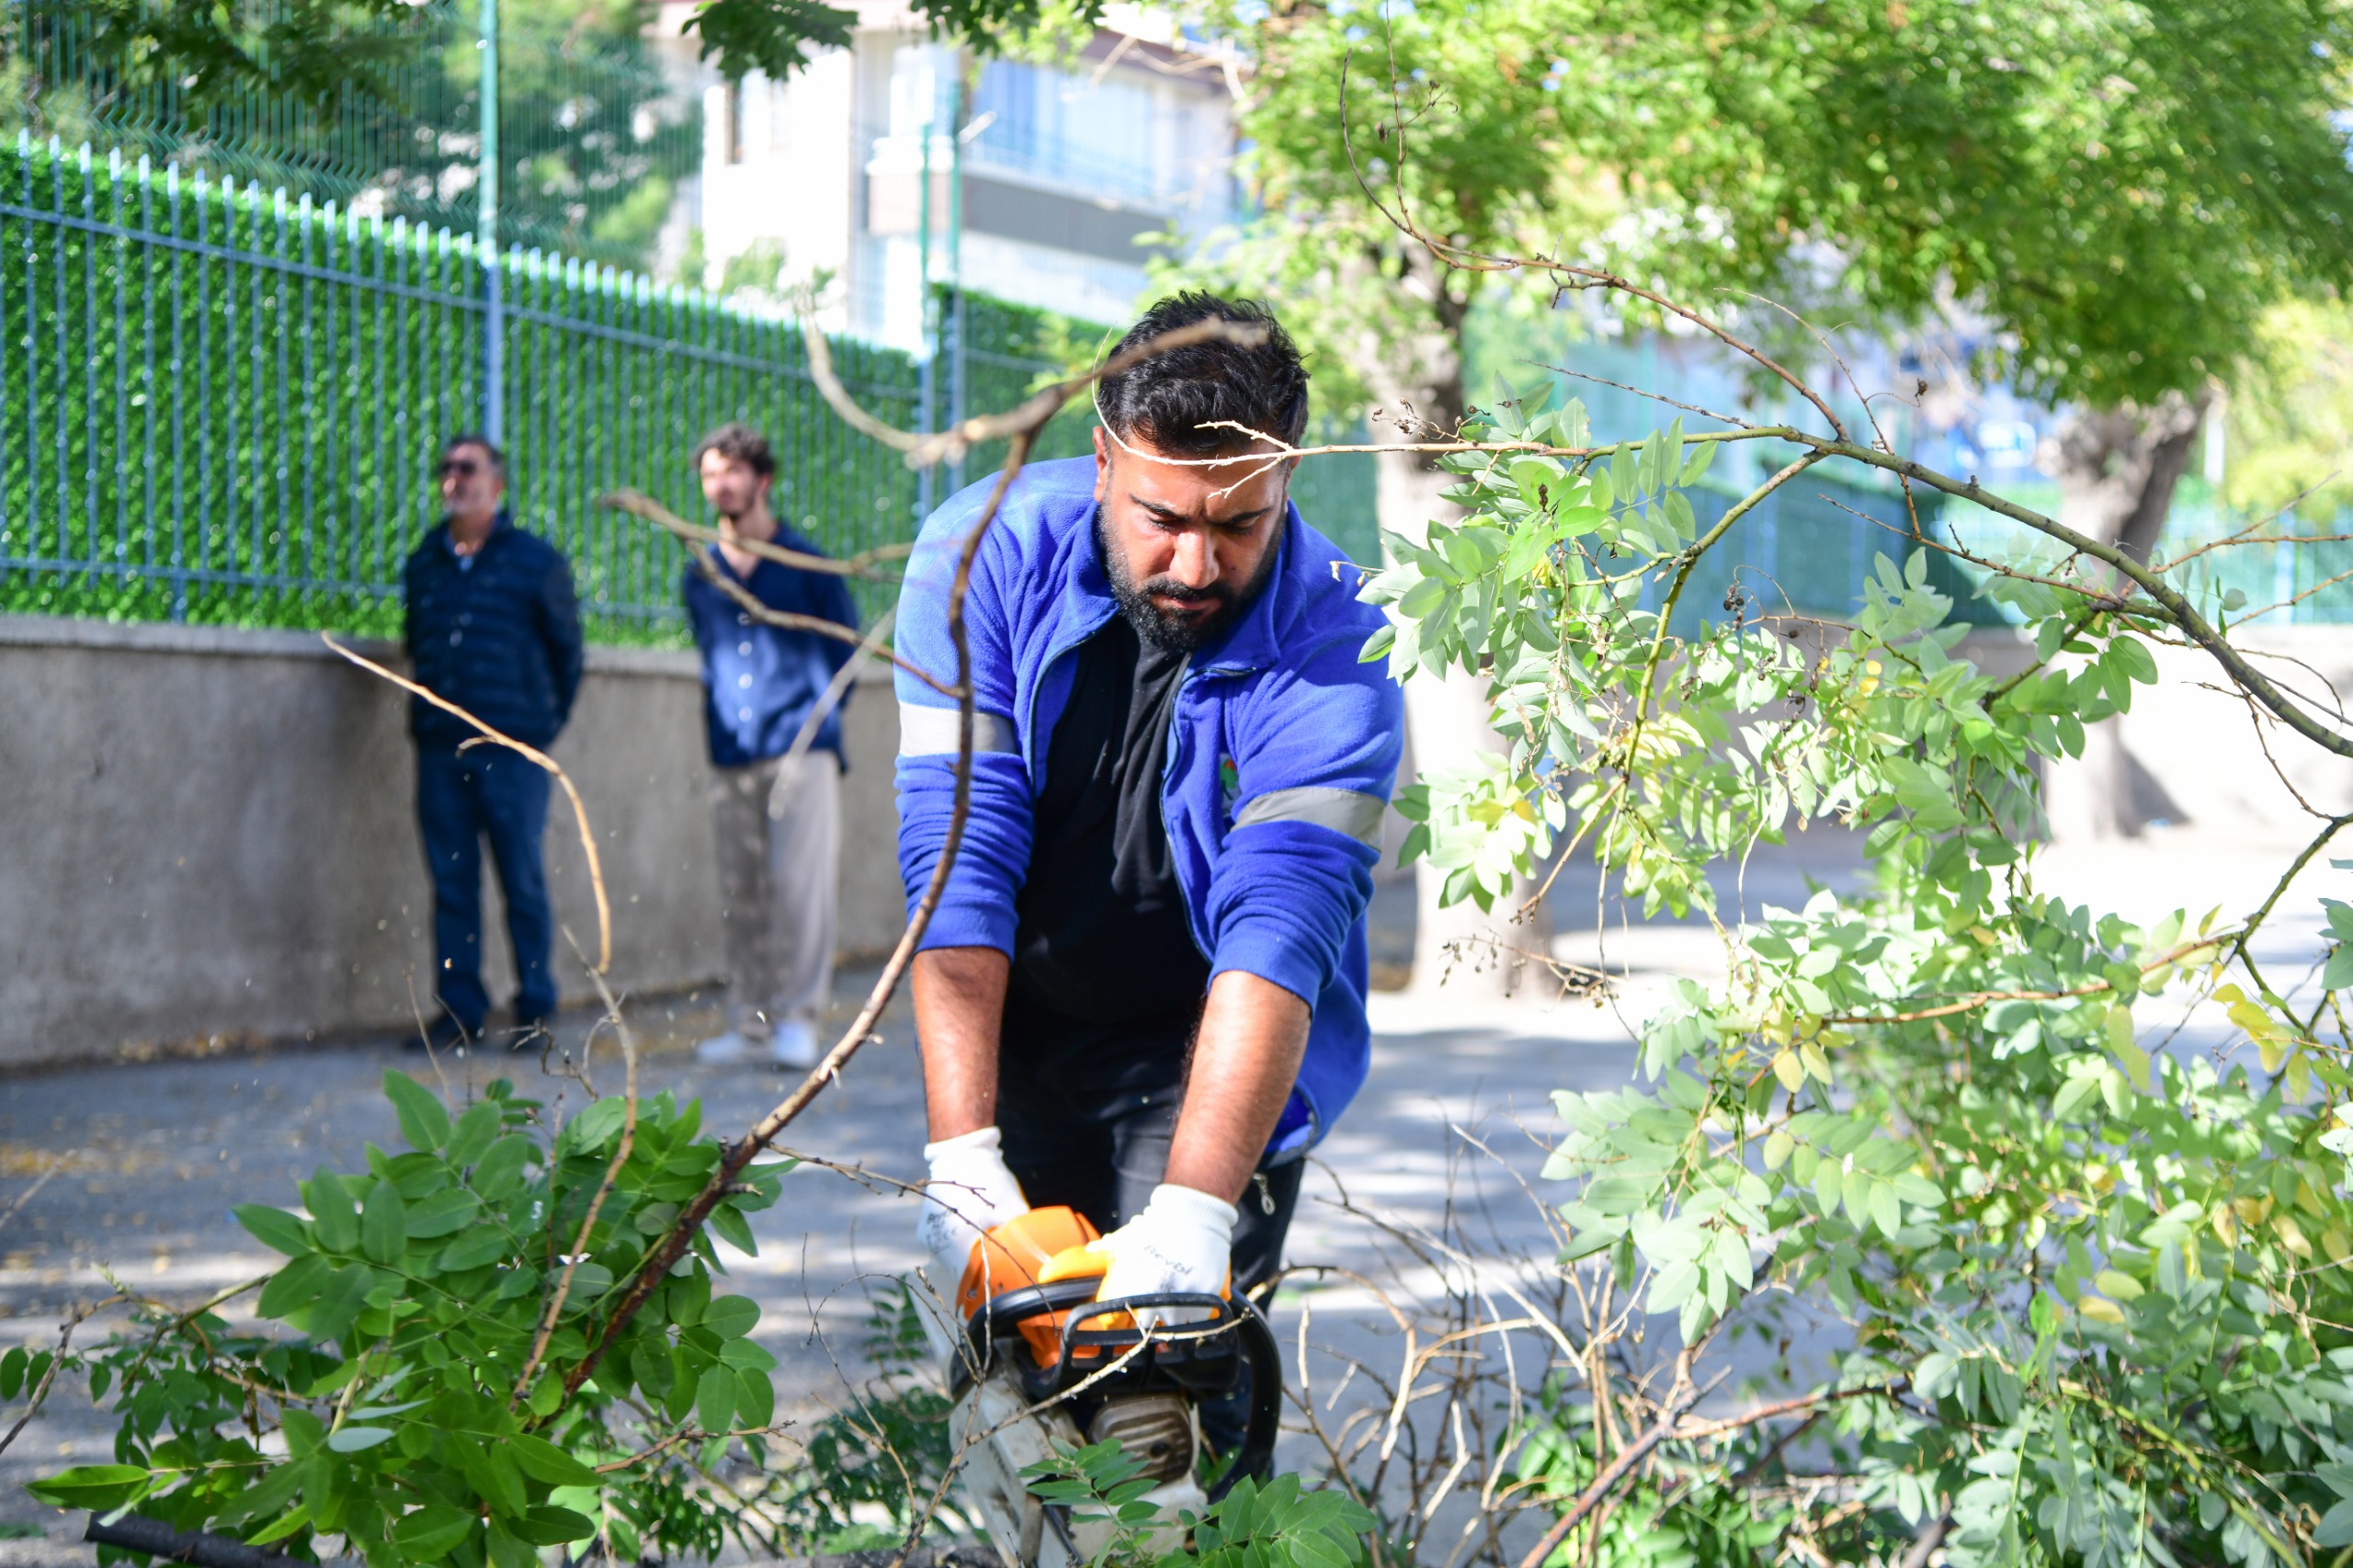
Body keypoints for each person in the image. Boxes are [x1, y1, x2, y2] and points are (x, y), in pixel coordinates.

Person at [896, 293, 1404, 1457]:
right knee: (1023, 1411)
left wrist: (1191, 1215)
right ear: (1100, 461)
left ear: (1286, 483)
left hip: (1209, 1048)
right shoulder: (977, 557)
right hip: (1025, 1027)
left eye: (1239, 525)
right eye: (1162, 516)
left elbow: (1279, 927)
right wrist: (962, 1156)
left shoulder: (1340, 641)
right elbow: (956, 851)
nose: (1194, 562)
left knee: (1167, 1424)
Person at [685, 424, 861, 1069]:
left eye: (732, 471)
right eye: (710, 474)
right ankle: (751, 1023)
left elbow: (843, 655)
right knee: (743, 890)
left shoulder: (805, 564)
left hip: (802, 747)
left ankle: (799, 1021)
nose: (720, 484)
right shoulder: (700, 573)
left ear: (762, 480)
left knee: (798, 888)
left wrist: (814, 727)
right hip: (732, 750)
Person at [403, 434, 584, 1052]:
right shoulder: (424, 560)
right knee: (452, 885)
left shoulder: (535, 561)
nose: (455, 479)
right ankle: (459, 1013)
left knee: (521, 880)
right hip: (438, 750)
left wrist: (537, 728)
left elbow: (567, 652)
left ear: (496, 484)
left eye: (468, 468)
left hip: (513, 752)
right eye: (447, 469)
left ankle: (535, 1010)